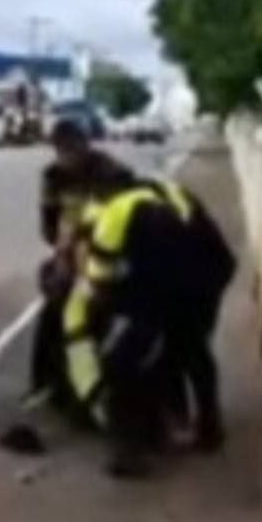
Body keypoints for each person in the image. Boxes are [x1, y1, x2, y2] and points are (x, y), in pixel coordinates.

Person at [62, 170, 201, 478]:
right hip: (178, 300)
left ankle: (128, 455)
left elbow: (99, 275)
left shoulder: (116, 212)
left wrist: (93, 292)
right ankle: (157, 436)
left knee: (119, 371)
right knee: (152, 368)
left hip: (142, 308)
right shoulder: (161, 203)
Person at [29, 118, 136, 411]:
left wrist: (83, 244)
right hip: (70, 256)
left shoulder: (112, 173)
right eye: (62, 151)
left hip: (109, 253)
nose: (68, 158)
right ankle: (45, 382)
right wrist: (63, 250)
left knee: (116, 316)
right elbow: (49, 226)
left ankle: (115, 388)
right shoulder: (52, 177)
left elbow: (124, 220)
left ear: (85, 145)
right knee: (53, 312)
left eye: (73, 150)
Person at [145, 176, 237, 451]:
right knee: (184, 352)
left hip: (196, 279)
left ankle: (203, 427)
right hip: (207, 272)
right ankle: (191, 421)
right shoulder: (167, 197)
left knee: (183, 353)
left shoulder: (145, 212)